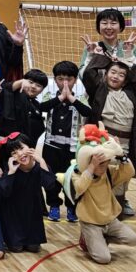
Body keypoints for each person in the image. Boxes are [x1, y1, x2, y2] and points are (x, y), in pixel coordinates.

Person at [81, 43, 136, 217]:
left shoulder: (130, 91)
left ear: (126, 80)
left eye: (121, 75)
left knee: (122, 176)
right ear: (105, 74)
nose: (116, 76)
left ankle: (117, 211)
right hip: (103, 140)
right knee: (102, 174)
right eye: (113, 72)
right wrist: (101, 58)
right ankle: (99, 212)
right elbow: (89, 74)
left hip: (126, 143)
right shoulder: (99, 89)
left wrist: (127, 55)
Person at [71, 124, 136, 265]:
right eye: (100, 164)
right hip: (90, 223)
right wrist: (92, 167)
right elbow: (79, 187)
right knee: (104, 258)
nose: (104, 166)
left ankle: (99, 239)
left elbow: (129, 172)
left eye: (106, 162)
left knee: (133, 240)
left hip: (110, 221)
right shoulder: (78, 174)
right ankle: (87, 238)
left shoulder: (108, 172)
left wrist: (121, 154)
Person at [39, 61, 93, 223]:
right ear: (55, 80)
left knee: (72, 178)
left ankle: (71, 207)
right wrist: (61, 98)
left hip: (73, 148)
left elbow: (87, 112)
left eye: (68, 79)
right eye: (60, 79)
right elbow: (42, 107)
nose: (65, 83)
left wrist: (71, 99)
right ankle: (54, 205)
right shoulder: (50, 96)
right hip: (51, 147)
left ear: (75, 80)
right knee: (52, 179)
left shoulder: (80, 98)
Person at [0, 133, 55, 253]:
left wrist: (41, 160)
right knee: (16, 248)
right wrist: (11, 172)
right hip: (13, 216)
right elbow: (4, 192)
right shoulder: (11, 168)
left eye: (21, 148)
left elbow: (49, 185)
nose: (19, 154)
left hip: (32, 214)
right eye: (14, 153)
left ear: (30, 147)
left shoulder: (39, 166)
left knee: (34, 248)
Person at [0, 69, 47, 145]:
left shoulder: (37, 105)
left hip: (27, 146)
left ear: (42, 90)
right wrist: (21, 82)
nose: (33, 86)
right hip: (7, 143)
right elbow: (7, 88)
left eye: (38, 86)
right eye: (30, 82)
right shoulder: (14, 94)